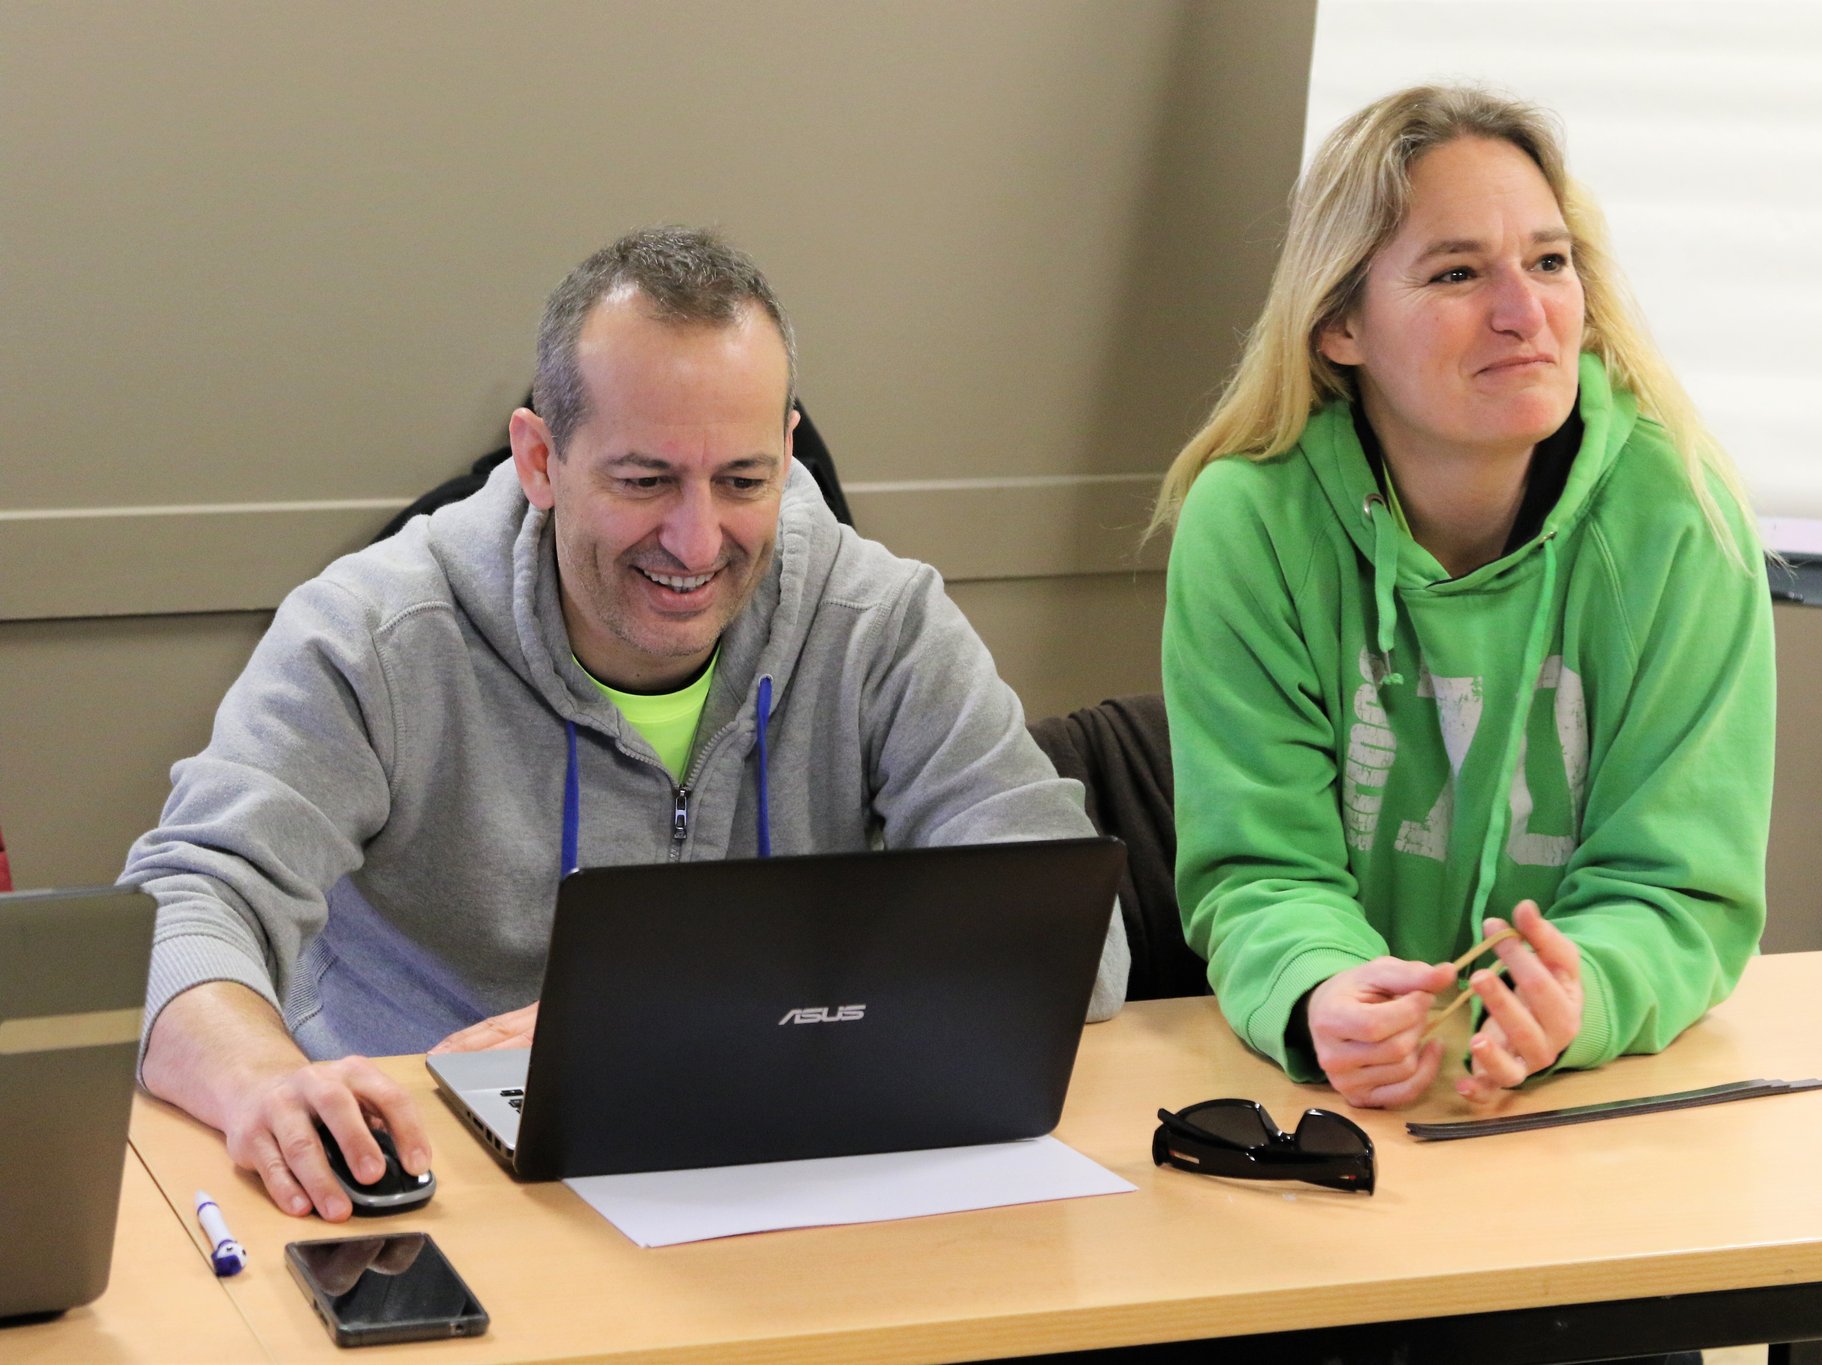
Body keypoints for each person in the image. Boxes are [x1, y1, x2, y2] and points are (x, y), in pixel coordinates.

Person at [126, 226, 1129, 1221]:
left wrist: (670, 1024)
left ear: (787, 453)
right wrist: (262, 1081)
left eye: (743, 480)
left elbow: (1070, 947)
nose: (696, 541)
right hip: (437, 1177)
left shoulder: (880, 622)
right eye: (645, 481)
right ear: (540, 460)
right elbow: (182, 905)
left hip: (770, 1152)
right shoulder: (374, 634)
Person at [1154, 86, 1774, 1111]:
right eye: (1456, 273)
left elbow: (1678, 885)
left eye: (1549, 262)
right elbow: (1260, 870)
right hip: (1344, 1105)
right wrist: (1320, 989)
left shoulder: (1682, 516)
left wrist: (1576, 995)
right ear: (1338, 325)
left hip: (1584, 1099)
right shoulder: (1250, 519)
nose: (1524, 314)